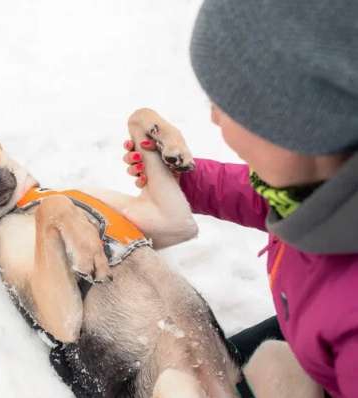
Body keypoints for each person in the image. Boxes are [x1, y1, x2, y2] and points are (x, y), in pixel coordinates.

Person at [123, 1, 358, 397]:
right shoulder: (315, 186)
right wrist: (189, 183)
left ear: (297, 127)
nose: (214, 118)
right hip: (310, 334)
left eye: (228, 106)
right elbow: (260, 196)